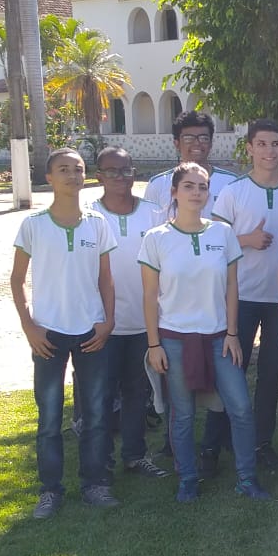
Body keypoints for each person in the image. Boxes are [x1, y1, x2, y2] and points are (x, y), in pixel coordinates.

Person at [139, 163, 271, 503]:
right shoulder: (157, 238)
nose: (197, 193)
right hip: (175, 339)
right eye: (189, 186)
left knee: (240, 407)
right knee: (183, 413)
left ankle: (247, 478)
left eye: (202, 187)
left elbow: (231, 287)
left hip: (218, 338)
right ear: (174, 192)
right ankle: (187, 478)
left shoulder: (222, 233)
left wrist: (232, 334)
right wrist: (154, 344)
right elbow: (150, 297)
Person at [13, 148, 120, 518]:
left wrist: (107, 322)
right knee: (49, 417)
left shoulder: (97, 223)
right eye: (64, 169)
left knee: (95, 414)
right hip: (48, 334)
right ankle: (50, 491)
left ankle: (95, 484)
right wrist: (29, 326)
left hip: (91, 331)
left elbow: (106, 279)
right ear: (49, 178)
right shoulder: (33, 225)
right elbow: (16, 280)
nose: (73, 176)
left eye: (78, 169)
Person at [210, 119, 278, 474]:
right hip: (240, 297)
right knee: (231, 371)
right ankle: (220, 439)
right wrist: (246, 240)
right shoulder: (233, 192)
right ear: (250, 148)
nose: (269, 151)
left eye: (275, 144)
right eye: (262, 144)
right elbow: (213, 242)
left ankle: (261, 441)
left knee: (270, 375)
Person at [89, 147, 168, 478]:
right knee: (101, 395)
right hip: (102, 325)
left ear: (134, 173)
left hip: (144, 323)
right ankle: (101, 462)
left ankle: (135, 455)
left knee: (137, 391)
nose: (120, 177)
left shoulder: (153, 214)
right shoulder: (89, 216)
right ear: (99, 176)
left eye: (125, 170)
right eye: (111, 171)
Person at [143, 110, 240, 219]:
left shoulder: (231, 182)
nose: (197, 143)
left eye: (203, 138)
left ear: (211, 143)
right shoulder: (158, 184)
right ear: (176, 144)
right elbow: (149, 223)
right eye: (189, 138)